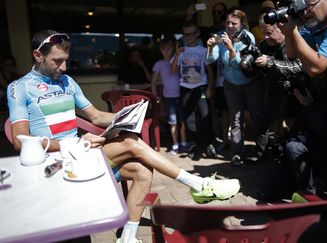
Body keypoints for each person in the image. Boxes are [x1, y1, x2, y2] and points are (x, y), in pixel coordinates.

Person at [7, 29, 240, 243]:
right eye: (57, 61)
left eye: (66, 60)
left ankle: (127, 238)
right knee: (130, 143)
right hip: (55, 166)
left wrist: (127, 115)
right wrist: (72, 144)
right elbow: (20, 141)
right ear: (38, 56)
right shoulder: (20, 88)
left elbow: (96, 117)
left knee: (141, 171)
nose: (64, 67)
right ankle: (199, 184)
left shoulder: (68, 81)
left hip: (81, 157)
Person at [206, 8, 268, 166]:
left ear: (242, 24)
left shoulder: (248, 38)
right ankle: (236, 154)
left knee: (257, 116)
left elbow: (243, 66)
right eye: (228, 22)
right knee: (236, 119)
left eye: (234, 23)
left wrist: (231, 49)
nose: (230, 26)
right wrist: (211, 47)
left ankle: (262, 152)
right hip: (231, 84)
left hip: (250, 82)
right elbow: (210, 61)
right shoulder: (221, 36)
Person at [171, 20, 216, 160]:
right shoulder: (180, 51)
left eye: (191, 33)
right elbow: (172, 71)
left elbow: (210, 71)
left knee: (205, 116)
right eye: (185, 34)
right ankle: (192, 144)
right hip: (185, 88)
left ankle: (209, 144)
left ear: (197, 33)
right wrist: (177, 55)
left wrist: (210, 88)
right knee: (189, 119)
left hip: (201, 87)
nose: (188, 36)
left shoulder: (203, 50)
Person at [254, 14, 303, 142]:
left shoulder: (294, 42)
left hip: (296, 93)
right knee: (262, 123)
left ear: (280, 29)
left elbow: (297, 67)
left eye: (269, 33)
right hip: (274, 91)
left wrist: (270, 62)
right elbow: (259, 69)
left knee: (294, 126)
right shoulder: (264, 45)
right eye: (263, 33)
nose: (265, 37)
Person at [151, 38, 187, 154]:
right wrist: (155, 95)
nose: (166, 51)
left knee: (183, 120)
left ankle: (184, 143)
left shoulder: (178, 59)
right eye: (163, 49)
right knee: (173, 121)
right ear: (160, 50)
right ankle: (175, 144)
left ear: (173, 49)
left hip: (181, 94)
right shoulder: (159, 64)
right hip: (168, 96)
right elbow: (153, 81)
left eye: (169, 48)